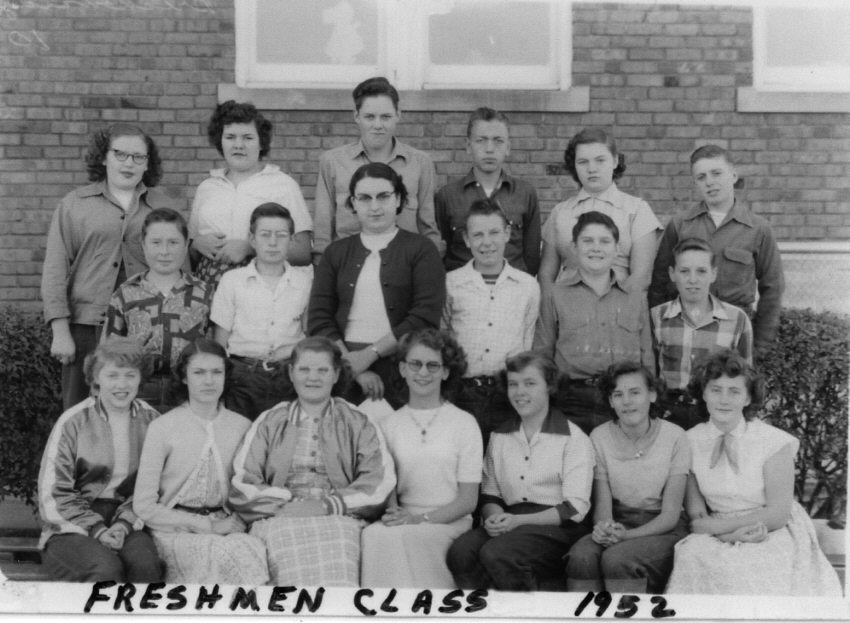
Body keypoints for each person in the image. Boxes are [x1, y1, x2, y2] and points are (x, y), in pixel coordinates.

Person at [665, 350, 842, 595]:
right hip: (716, 528)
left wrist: (738, 531)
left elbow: (778, 513)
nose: (724, 400)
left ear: (748, 399)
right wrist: (730, 535)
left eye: (734, 391)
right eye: (716, 390)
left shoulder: (772, 441)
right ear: (703, 394)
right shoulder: (688, 441)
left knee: (755, 567)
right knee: (691, 555)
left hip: (771, 527)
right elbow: (697, 518)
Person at [229, 336, 396, 587]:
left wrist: (327, 506)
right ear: (291, 372)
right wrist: (284, 505)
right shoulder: (270, 420)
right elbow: (243, 482)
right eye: (304, 369)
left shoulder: (358, 421)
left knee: (339, 543)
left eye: (322, 370)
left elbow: (379, 483)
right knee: (280, 544)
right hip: (279, 517)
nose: (313, 377)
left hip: (340, 518)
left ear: (337, 374)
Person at [42, 124, 174, 410]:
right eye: (120, 154)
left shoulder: (162, 206)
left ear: (147, 163)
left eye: (138, 157)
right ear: (104, 157)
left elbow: (177, 265)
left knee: (141, 412)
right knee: (81, 411)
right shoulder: (75, 204)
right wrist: (60, 330)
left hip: (144, 329)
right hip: (87, 326)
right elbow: (55, 269)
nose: (129, 163)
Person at [446, 352, 594, 591]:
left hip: (556, 528)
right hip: (511, 520)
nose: (519, 392)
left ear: (550, 386)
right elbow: (491, 493)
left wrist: (517, 522)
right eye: (513, 384)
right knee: (461, 552)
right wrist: (494, 517)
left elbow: (575, 508)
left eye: (530, 383)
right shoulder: (500, 436)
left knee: (499, 552)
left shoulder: (573, 438)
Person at [309, 163, 445, 409]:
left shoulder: (421, 250)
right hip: (341, 368)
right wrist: (352, 367)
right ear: (353, 203)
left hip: (403, 368)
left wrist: (370, 354)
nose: (374, 206)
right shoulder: (335, 252)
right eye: (364, 198)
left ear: (399, 199)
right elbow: (319, 318)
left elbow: (425, 316)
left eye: (383, 196)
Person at [133, 339, 268, 585]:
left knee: (254, 549)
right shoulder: (162, 427)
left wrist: (233, 522)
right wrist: (206, 526)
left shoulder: (243, 426)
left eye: (217, 372)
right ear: (184, 377)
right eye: (199, 372)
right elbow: (144, 506)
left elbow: (251, 489)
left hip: (227, 525)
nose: (209, 381)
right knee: (221, 554)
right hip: (173, 529)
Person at [361, 329, 482, 588]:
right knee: (373, 535)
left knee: (406, 536)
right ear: (403, 369)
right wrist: (397, 514)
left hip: (451, 521)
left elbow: (468, 501)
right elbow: (388, 488)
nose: (423, 373)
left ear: (446, 372)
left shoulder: (464, 423)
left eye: (432, 365)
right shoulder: (390, 424)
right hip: (406, 516)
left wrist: (420, 520)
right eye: (415, 364)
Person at [37, 337, 163, 582]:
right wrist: (96, 529)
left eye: (130, 375)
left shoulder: (153, 421)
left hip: (128, 519)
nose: (121, 384)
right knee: (105, 570)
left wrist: (123, 525)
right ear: (96, 378)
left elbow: (155, 487)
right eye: (112, 375)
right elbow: (53, 492)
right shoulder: (73, 421)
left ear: (140, 378)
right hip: (71, 525)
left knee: (145, 566)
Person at [565, 362, 689, 594]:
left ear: (652, 394)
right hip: (619, 521)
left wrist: (626, 537)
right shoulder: (599, 436)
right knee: (581, 557)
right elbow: (603, 504)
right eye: (618, 394)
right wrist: (605, 528)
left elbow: (671, 515)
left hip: (662, 528)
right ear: (611, 401)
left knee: (618, 560)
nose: (627, 401)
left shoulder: (675, 436)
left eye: (635, 392)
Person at [649, 145, 784, 355]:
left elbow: (773, 287)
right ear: (695, 183)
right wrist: (659, 333)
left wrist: (759, 345)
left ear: (733, 175)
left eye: (716, 173)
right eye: (701, 177)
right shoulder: (680, 225)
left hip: (734, 333)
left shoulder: (758, 229)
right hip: (684, 330)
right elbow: (659, 283)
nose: (710, 182)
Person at [533, 211, 654, 435]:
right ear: (574, 247)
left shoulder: (635, 297)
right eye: (587, 241)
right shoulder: (555, 295)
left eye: (605, 241)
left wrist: (648, 402)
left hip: (623, 400)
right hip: (570, 401)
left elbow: (646, 355)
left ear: (617, 249)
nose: (596, 248)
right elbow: (542, 353)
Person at [442, 198, 540, 444]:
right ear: (466, 239)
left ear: (507, 233)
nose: (487, 242)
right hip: (461, 392)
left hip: (507, 393)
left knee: (504, 464)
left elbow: (527, 339)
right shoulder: (450, 283)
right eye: (478, 235)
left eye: (494, 232)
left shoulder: (527, 285)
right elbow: (442, 337)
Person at [189, 100, 312, 291]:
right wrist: (196, 244)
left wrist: (250, 247)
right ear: (220, 141)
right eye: (230, 137)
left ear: (261, 143)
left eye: (248, 138)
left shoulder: (283, 185)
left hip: (263, 284)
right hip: (209, 284)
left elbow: (303, 252)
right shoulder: (207, 187)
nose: (239, 145)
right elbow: (189, 251)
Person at [312, 76, 441, 260]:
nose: (378, 125)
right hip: (349, 264)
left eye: (386, 117)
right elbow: (323, 230)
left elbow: (428, 227)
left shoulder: (420, 163)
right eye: (370, 117)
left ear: (398, 114)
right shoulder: (332, 162)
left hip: (405, 265)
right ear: (356, 116)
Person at [103, 208, 212, 413]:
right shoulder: (125, 294)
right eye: (156, 242)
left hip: (189, 393)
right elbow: (110, 352)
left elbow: (215, 348)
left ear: (187, 244)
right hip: (137, 391)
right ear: (143, 245)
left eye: (173, 242)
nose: (164, 251)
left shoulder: (205, 293)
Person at [211, 203, 312, 420]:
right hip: (242, 377)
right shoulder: (232, 281)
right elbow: (220, 341)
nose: (273, 242)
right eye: (265, 235)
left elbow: (310, 335)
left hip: (288, 376)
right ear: (252, 239)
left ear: (292, 239)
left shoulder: (305, 283)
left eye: (281, 235)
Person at [538, 127, 660, 294]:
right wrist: (553, 310)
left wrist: (610, 310)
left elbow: (641, 276)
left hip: (620, 309)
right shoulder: (560, 212)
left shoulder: (637, 210)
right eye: (583, 162)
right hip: (567, 309)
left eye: (600, 160)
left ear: (615, 161)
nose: (591, 169)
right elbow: (545, 274)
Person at [651, 237, 753, 430]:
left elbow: (745, 378)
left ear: (713, 274)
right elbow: (650, 372)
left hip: (714, 413)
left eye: (701, 271)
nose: (693, 280)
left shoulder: (736, 319)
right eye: (684, 271)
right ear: (672, 274)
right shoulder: (657, 317)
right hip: (668, 413)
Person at [436, 107, 541, 275]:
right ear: (468, 146)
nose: (490, 149)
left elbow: (532, 256)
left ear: (508, 147)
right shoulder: (447, 196)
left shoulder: (525, 193)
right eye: (481, 140)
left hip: (512, 292)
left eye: (498, 141)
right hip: (462, 292)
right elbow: (441, 254)